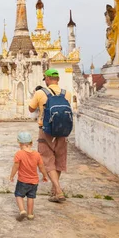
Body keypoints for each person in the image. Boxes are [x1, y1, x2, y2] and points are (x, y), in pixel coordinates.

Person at [29, 68, 72, 203]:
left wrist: (36, 97)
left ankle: (58, 190)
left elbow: (31, 109)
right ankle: (55, 190)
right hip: (63, 130)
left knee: (47, 159)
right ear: (58, 79)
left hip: (46, 130)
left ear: (47, 79)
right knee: (59, 159)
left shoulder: (40, 93)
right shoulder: (67, 94)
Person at [9, 131, 49, 221]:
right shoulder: (37, 154)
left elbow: (16, 166)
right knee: (31, 197)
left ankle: (22, 211)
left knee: (19, 195)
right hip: (34, 182)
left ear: (19, 144)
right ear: (31, 143)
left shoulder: (19, 154)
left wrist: (12, 176)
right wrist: (45, 175)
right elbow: (41, 166)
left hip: (23, 181)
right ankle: (30, 214)